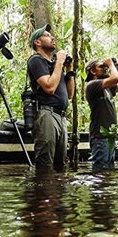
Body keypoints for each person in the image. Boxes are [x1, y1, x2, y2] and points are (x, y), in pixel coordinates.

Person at [26, 24, 75, 171]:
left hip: (61, 117)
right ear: (37, 42)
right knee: (45, 164)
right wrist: (59, 61)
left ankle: (57, 193)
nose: (52, 37)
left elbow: (70, 94)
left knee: (60, 164)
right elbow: (49, 87)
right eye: (47, 35)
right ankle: (43, 193)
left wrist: (69, 69)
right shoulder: (36, 60)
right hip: (47, 115)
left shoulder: (55, 66)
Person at [84, 57, 118, 170]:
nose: (105, 69)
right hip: (100, 136)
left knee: (109, 169)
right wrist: (110, 65)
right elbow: (115, 79)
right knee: (100, 171)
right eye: (101, 66)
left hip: (109, 136)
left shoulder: (107, 89)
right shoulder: (92, 85)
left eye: (105, 67)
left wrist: (116, 65)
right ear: (92, 71)